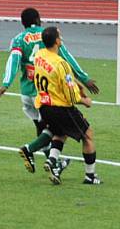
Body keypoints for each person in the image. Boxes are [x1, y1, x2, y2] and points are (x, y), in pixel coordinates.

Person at [0, 7, 99, 173]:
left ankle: (52, 161)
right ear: (38, 19)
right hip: (48, 95)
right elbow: (67, 58)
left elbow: (13, 61)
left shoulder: (19, 40)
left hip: (28, 94)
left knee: (46, 127)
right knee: (55, 128)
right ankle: (37, 154)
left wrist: (5, 85)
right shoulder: (47, 36)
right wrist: (84, 79)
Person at [34, 26, 101, 185]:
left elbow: (62, 78)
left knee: (60, 132)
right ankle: (90, 177)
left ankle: (52, 162)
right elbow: (71, 97)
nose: (61, 38)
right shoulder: (61, 64)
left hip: (44, 106)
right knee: (88, 135)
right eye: (60, 36)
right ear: (57, 41)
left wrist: (76, 83)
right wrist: (85, 102)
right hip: (60, 107)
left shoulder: (39, 56)